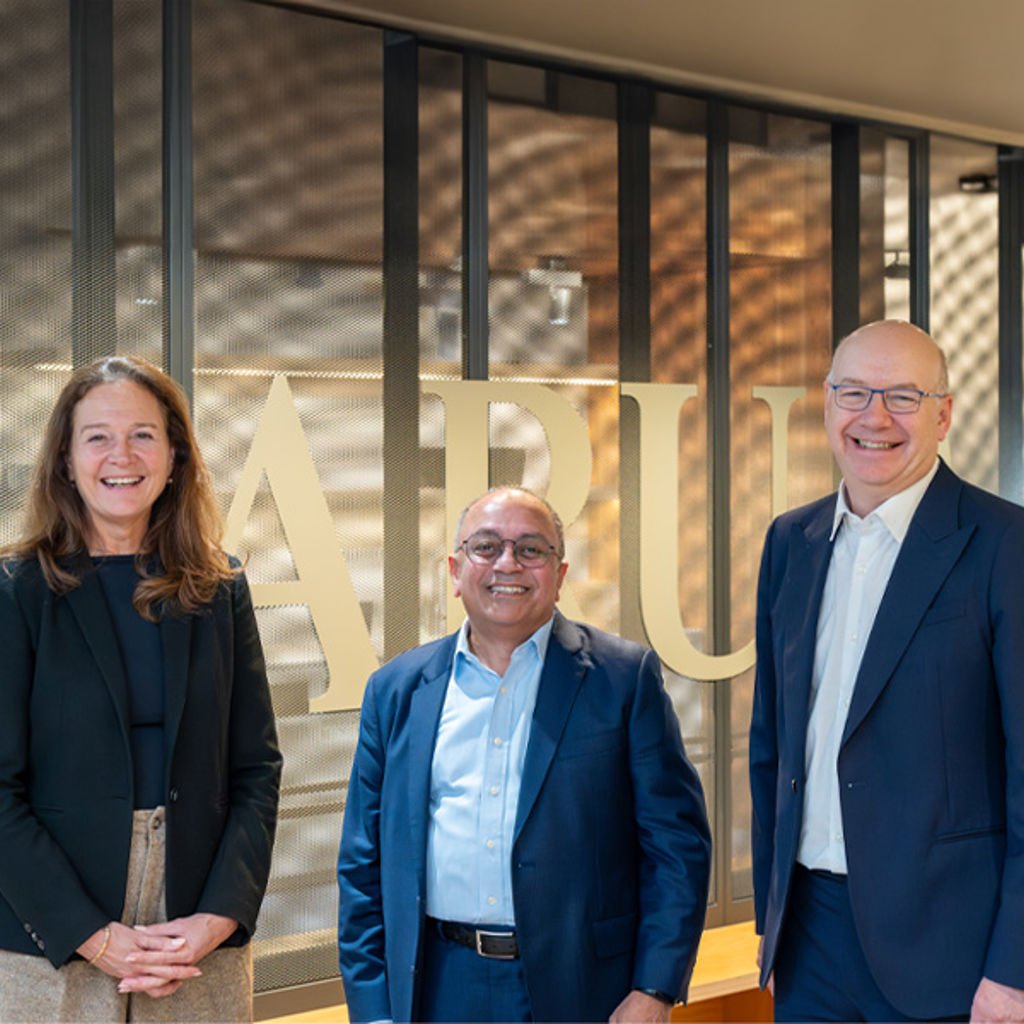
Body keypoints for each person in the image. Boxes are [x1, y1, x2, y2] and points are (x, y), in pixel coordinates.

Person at [337, 486, 711, 1023]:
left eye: (532, 549)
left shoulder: (624, 680)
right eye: (486, 547)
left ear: (558, 575)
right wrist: (373, 1011)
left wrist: (655, 988)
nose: (507, 563)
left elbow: (677, 849)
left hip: (584, 988)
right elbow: (362, 865)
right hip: (438, 985)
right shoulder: (396, 690)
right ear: (455, 568)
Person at [749, 320, 1024, 1022]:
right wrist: (771, 925)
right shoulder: (791, 541)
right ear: (826, 403)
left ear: (944, 414)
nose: (875, 417)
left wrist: (1013, 970)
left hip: (951, 956)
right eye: (854, 392)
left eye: (903, 395)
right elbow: (772, 749)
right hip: (808, 941)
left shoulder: (1004, 545)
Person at [0, 355, 282, 1022]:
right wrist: (91, 935)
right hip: (52, 927)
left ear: (175, 455)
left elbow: (256, 769)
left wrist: (219, 915)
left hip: (193, 928)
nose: (120, 454)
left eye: (143, 434)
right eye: (96, 436)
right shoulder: (17, 594)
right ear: (66, 460)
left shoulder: (218, 588)